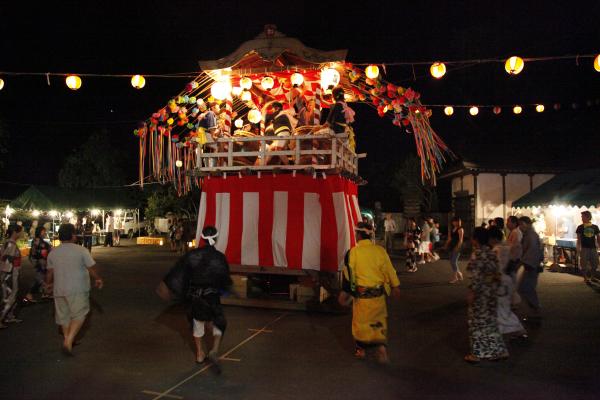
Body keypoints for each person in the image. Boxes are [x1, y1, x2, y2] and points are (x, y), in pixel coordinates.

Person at [157, 226, 232, 372]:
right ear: (215, 239)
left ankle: (199, 354)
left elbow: (179, 270)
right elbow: (224, 278)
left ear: (202, 239)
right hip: (212, 297)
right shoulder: (220, 257)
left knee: (197, 324)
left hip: (196, 297)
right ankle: (214, 350)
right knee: (219, 323)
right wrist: (226, 289)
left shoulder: (192, 255)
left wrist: (167, 284)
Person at [338, 222, 400, 363]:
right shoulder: (380, 251)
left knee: (361, 325)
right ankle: (381, 349)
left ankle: (361, 350)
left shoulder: (354, 252)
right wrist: (395, 286)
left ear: (358, 235)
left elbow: (349, 275)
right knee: (378, 323)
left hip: (362, 298)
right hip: (378, 296)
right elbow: (389, 270)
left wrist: (345, 293)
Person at [46, 223, 103, 355]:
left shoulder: (53, 252)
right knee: (79, 314)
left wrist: (48, 284)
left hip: (59, 289)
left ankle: (67, 339)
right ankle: (69, 340)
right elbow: (91, 268)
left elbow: (49, 272)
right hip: (77, 288)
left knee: (64, 317)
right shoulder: (81, 250)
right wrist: (98, 278)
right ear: (72, 235)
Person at [464, 227, 509, 364]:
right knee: (490, 323)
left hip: (481, 293)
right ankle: (498, 350)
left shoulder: (477, 254)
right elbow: (497, 273)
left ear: (475, 240)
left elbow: (476, 277)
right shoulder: (491, 253)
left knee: (477, 323)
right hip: (491, 292)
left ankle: (477, 353)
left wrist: (472, 292)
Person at [488, 227, 527, 340]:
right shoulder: (507, 247)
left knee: (501, 308)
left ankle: (517, 330)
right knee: (503, 308)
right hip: (508, 280)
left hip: (500, 281)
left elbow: (497, 267)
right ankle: (515, 330)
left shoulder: (497, 250)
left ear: (493, 238)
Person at [517, 216, 543, 319]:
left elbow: (531, 251)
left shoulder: (530, 235)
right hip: (531, 264)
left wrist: (523, 263)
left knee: (526, 288)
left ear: (524, 224)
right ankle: (533, 312)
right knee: (527, 288)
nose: (519, 227)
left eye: (520, 225)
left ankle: (535, 312)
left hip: (530, 265)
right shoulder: (531, 234)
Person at [0, 225, 24, 328]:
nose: (22, 234)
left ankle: (9, 315)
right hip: (10, 274)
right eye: (20, 232)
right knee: (10, 296)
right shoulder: (11, 244)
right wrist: (3, 276)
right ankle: (1, 317)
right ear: (15, 232)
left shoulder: (8, 243)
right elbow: (6, 261)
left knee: (11, 295)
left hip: (11, 273)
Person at [25, 226, 53, 303]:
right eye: (44, 231)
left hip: (40, 261)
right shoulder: (38, 240)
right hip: (39, 262)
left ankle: (45, 293)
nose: (45, 233)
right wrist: (48, 248)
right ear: (40, 232)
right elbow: (40, 251)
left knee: (42, 277)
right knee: (39, 279)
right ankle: (29, 294)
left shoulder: (38, 240)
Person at [324, 87, 356, 151]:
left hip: (337, 132)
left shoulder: (337, 105)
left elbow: (329, 121)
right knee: (341, 153)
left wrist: (321, 127)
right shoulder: (344, 105)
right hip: (344, 132)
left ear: (334, 96)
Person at [576, 210, 600, 283]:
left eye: (582, 216)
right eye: (581, 216)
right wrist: (578, 248)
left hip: (593, 248)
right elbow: (578, 239)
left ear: (588, 217)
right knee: (584, 264)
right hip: (584, 248)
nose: (581, 218)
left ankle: (592, 277)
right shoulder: (580, 227)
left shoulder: (595, 227)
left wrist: (599, 246)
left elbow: (598, 237)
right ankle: (585, 278)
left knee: (595, 263)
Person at [446, 217, 464, 283]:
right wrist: (446, 245)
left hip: (457, 247)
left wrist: (457, 247)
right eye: (456, 221)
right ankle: (459, 273)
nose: (458, 222)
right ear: (453, 222)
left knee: (453, 261)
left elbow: (461, 240)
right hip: (451, 246)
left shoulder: (460, 229)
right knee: (452, 262)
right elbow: (450, 238)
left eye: (459, 221)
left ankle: (455, 277)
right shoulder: (453, 229)